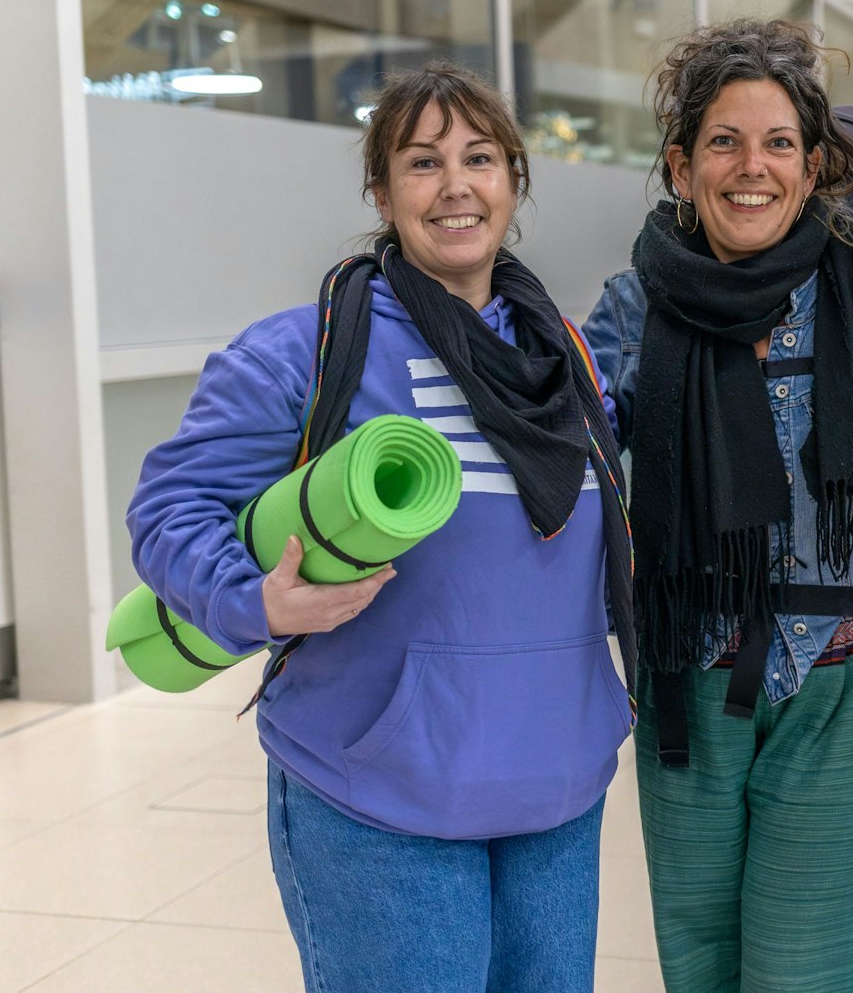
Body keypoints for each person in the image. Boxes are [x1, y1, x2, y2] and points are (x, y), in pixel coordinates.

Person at [126, 62, 633, 993]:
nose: (455, 187)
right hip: (378, 792)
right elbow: (167, 511)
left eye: (479, 158)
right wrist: (258, 601)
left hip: (557, 785)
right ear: (381, 189)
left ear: (514, 180)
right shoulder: (305, 349)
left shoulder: (568, 361)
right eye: (422, 162)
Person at [582, 18, 853, 993]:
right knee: (698, 957)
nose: (751, 167)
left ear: (812, 163)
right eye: (723, 141)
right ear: (680, 163)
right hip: (686, 682)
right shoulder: (629, 312)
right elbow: (571, 483)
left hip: (848, 671)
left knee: (815, 966)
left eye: (778, 143)